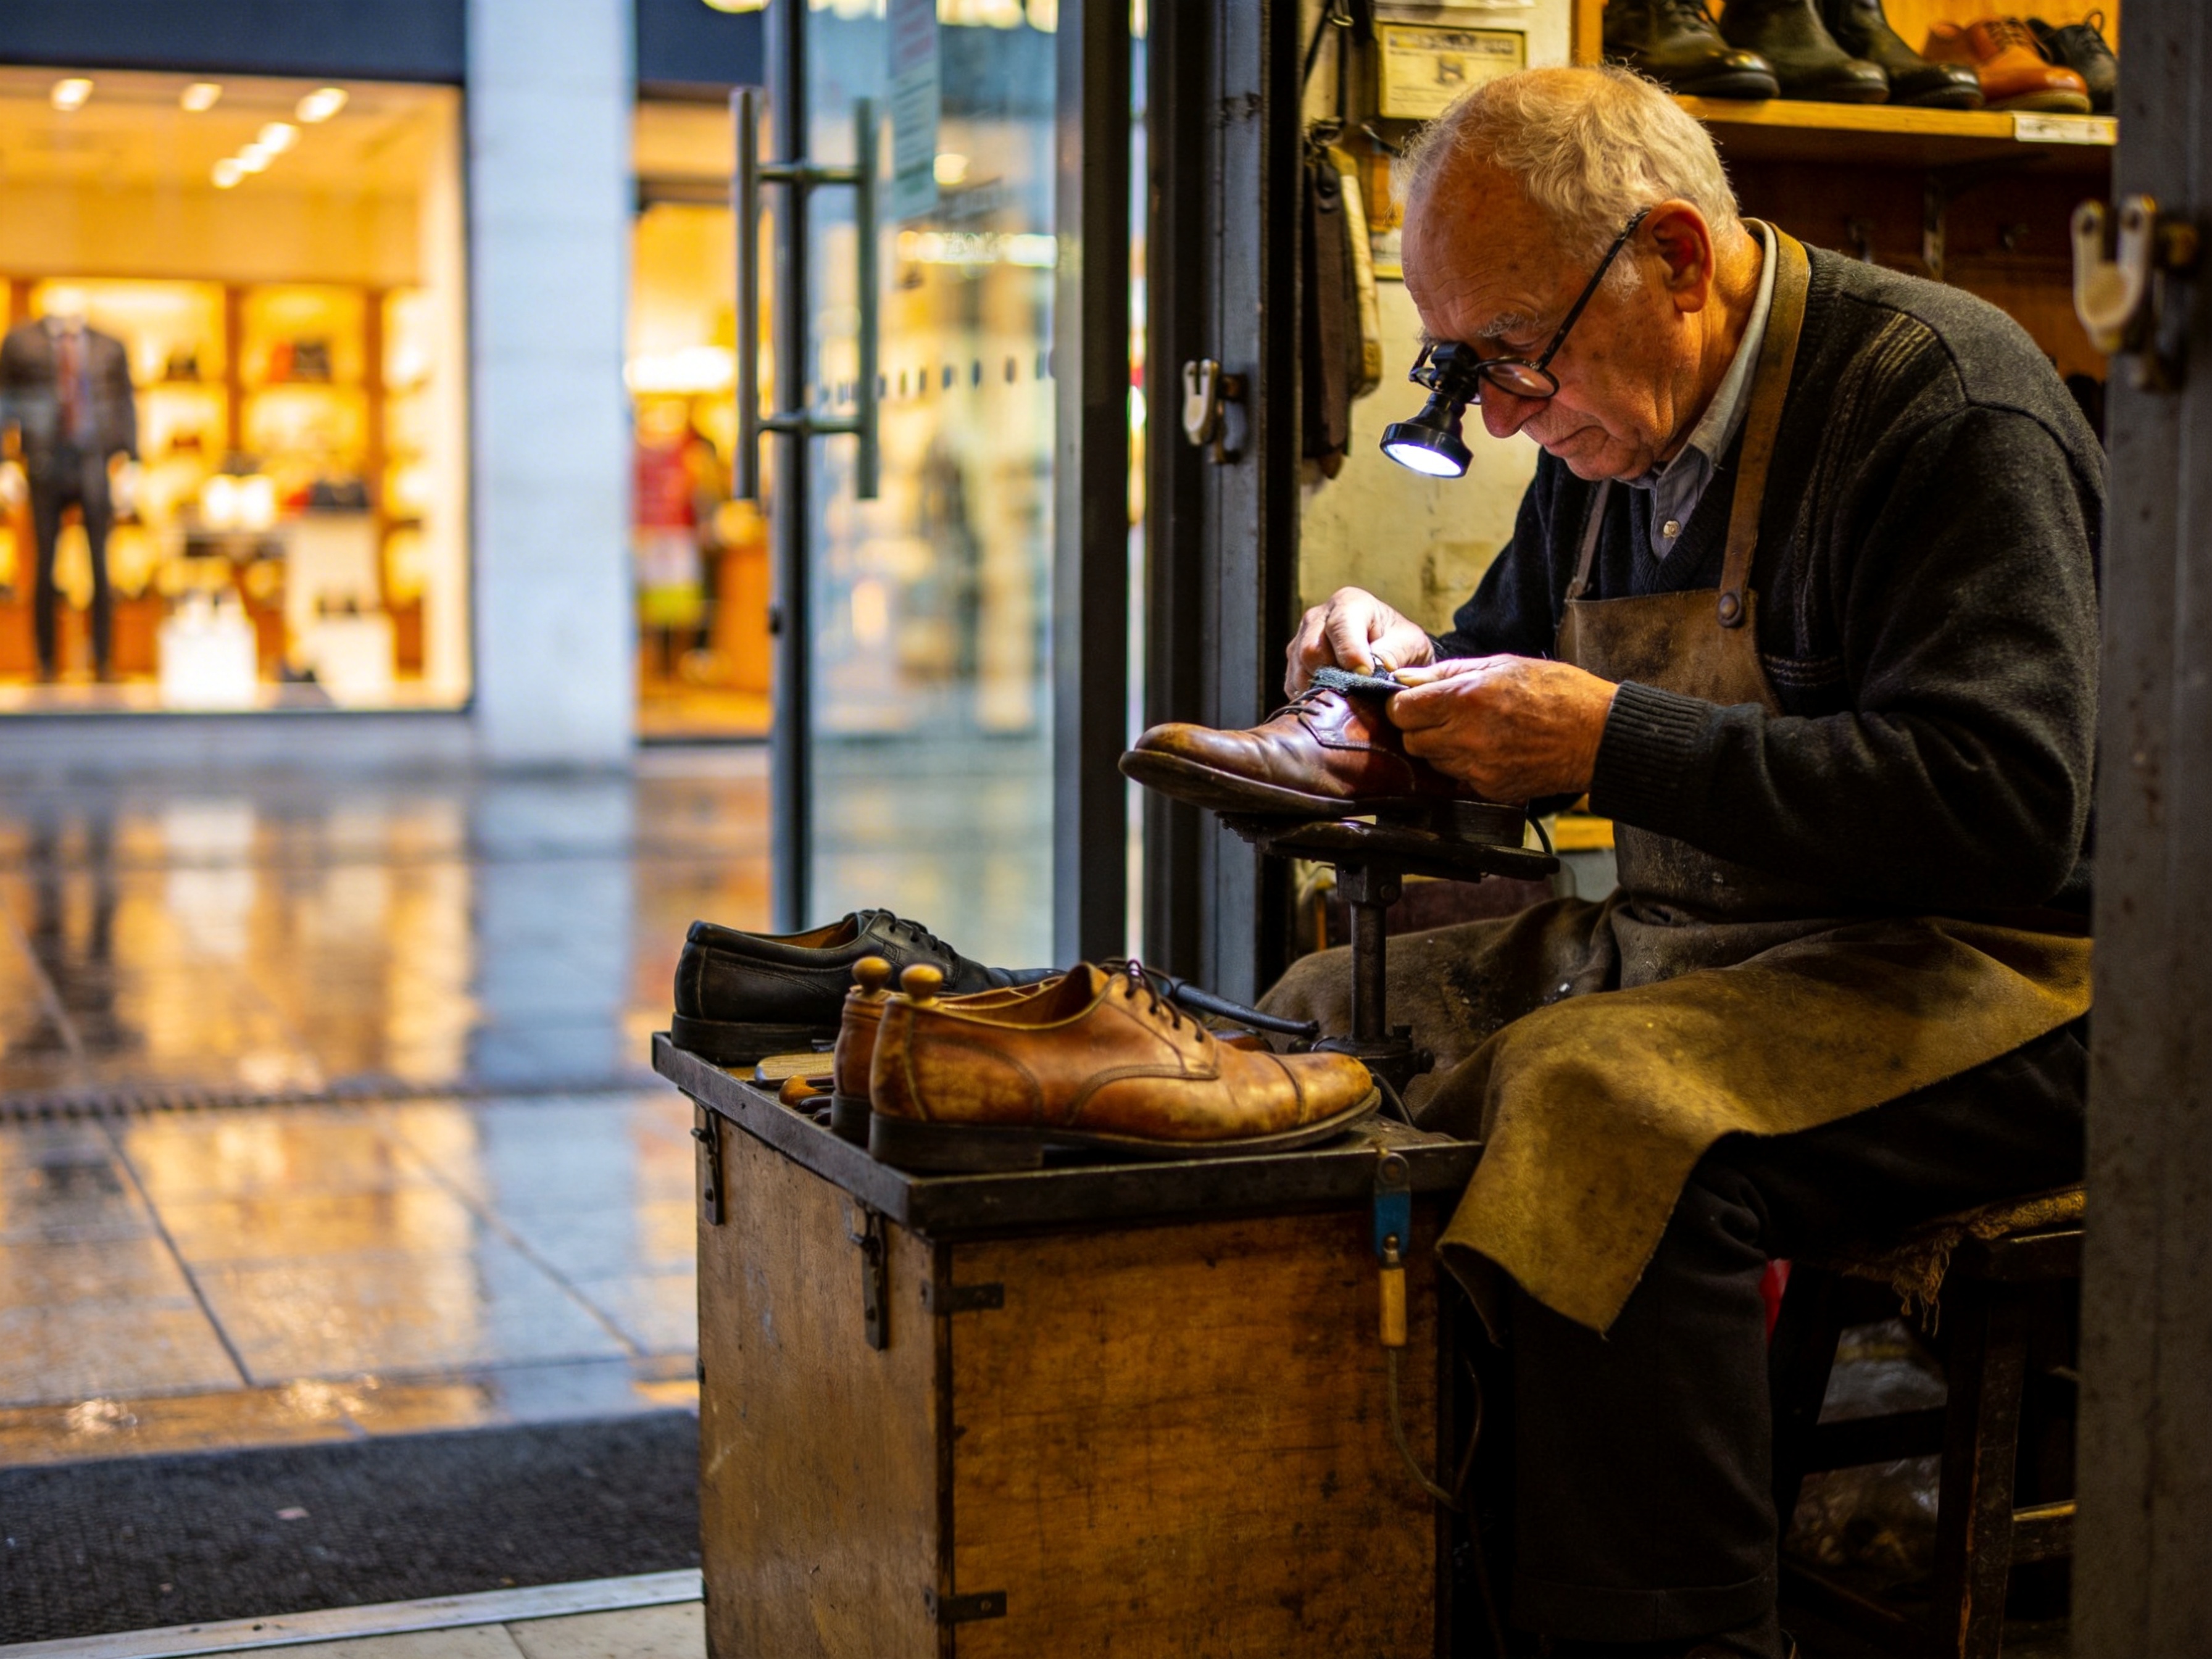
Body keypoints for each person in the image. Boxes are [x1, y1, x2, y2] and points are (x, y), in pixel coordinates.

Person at [1198, 66, 2095, 1659]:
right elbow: (1510, 667)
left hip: (2022, 979)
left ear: (1674, 257)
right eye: (1462, 366)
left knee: (1602, 1105)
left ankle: (1668, 1636)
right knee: (1323, 1019)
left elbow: (2007, 806)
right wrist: (1401, 681)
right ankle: (1412, 1572)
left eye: (1512, 352)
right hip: (1743, 953)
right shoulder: (1613, 433)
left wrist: (1614, 742)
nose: (1497, 414)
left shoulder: (1942, 402)